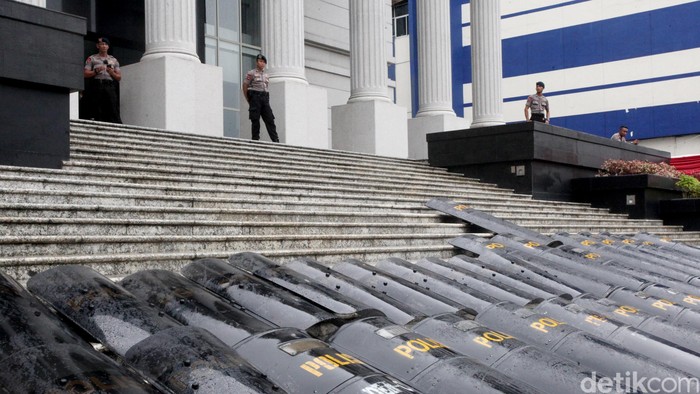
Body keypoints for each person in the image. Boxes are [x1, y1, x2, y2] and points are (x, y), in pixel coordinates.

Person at [82, 37, 122, 123]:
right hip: (97, 84)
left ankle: (115, 125)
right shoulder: (92, 58)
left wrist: (112, 73)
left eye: (106, 44)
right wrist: (96, 71)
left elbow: (119, 77)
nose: (104, 46)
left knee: (112, 105)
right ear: (97, 46)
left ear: (108, 47)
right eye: (102, 44)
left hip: (109, 84)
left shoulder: (113, 60)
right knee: (97, 105)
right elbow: (85, 73)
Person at [242, 54, 279, 143]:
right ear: (256, 62)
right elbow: (245, 85)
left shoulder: (266, 75)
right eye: (260, 61)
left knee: (270, 119)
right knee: (255, 120)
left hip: (264, 98)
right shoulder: (251, 73)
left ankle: (276, 140)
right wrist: (248, 99)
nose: (261, 63)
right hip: (255, 97)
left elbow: (266, 87)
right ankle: (255, 140)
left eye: (263, 62)